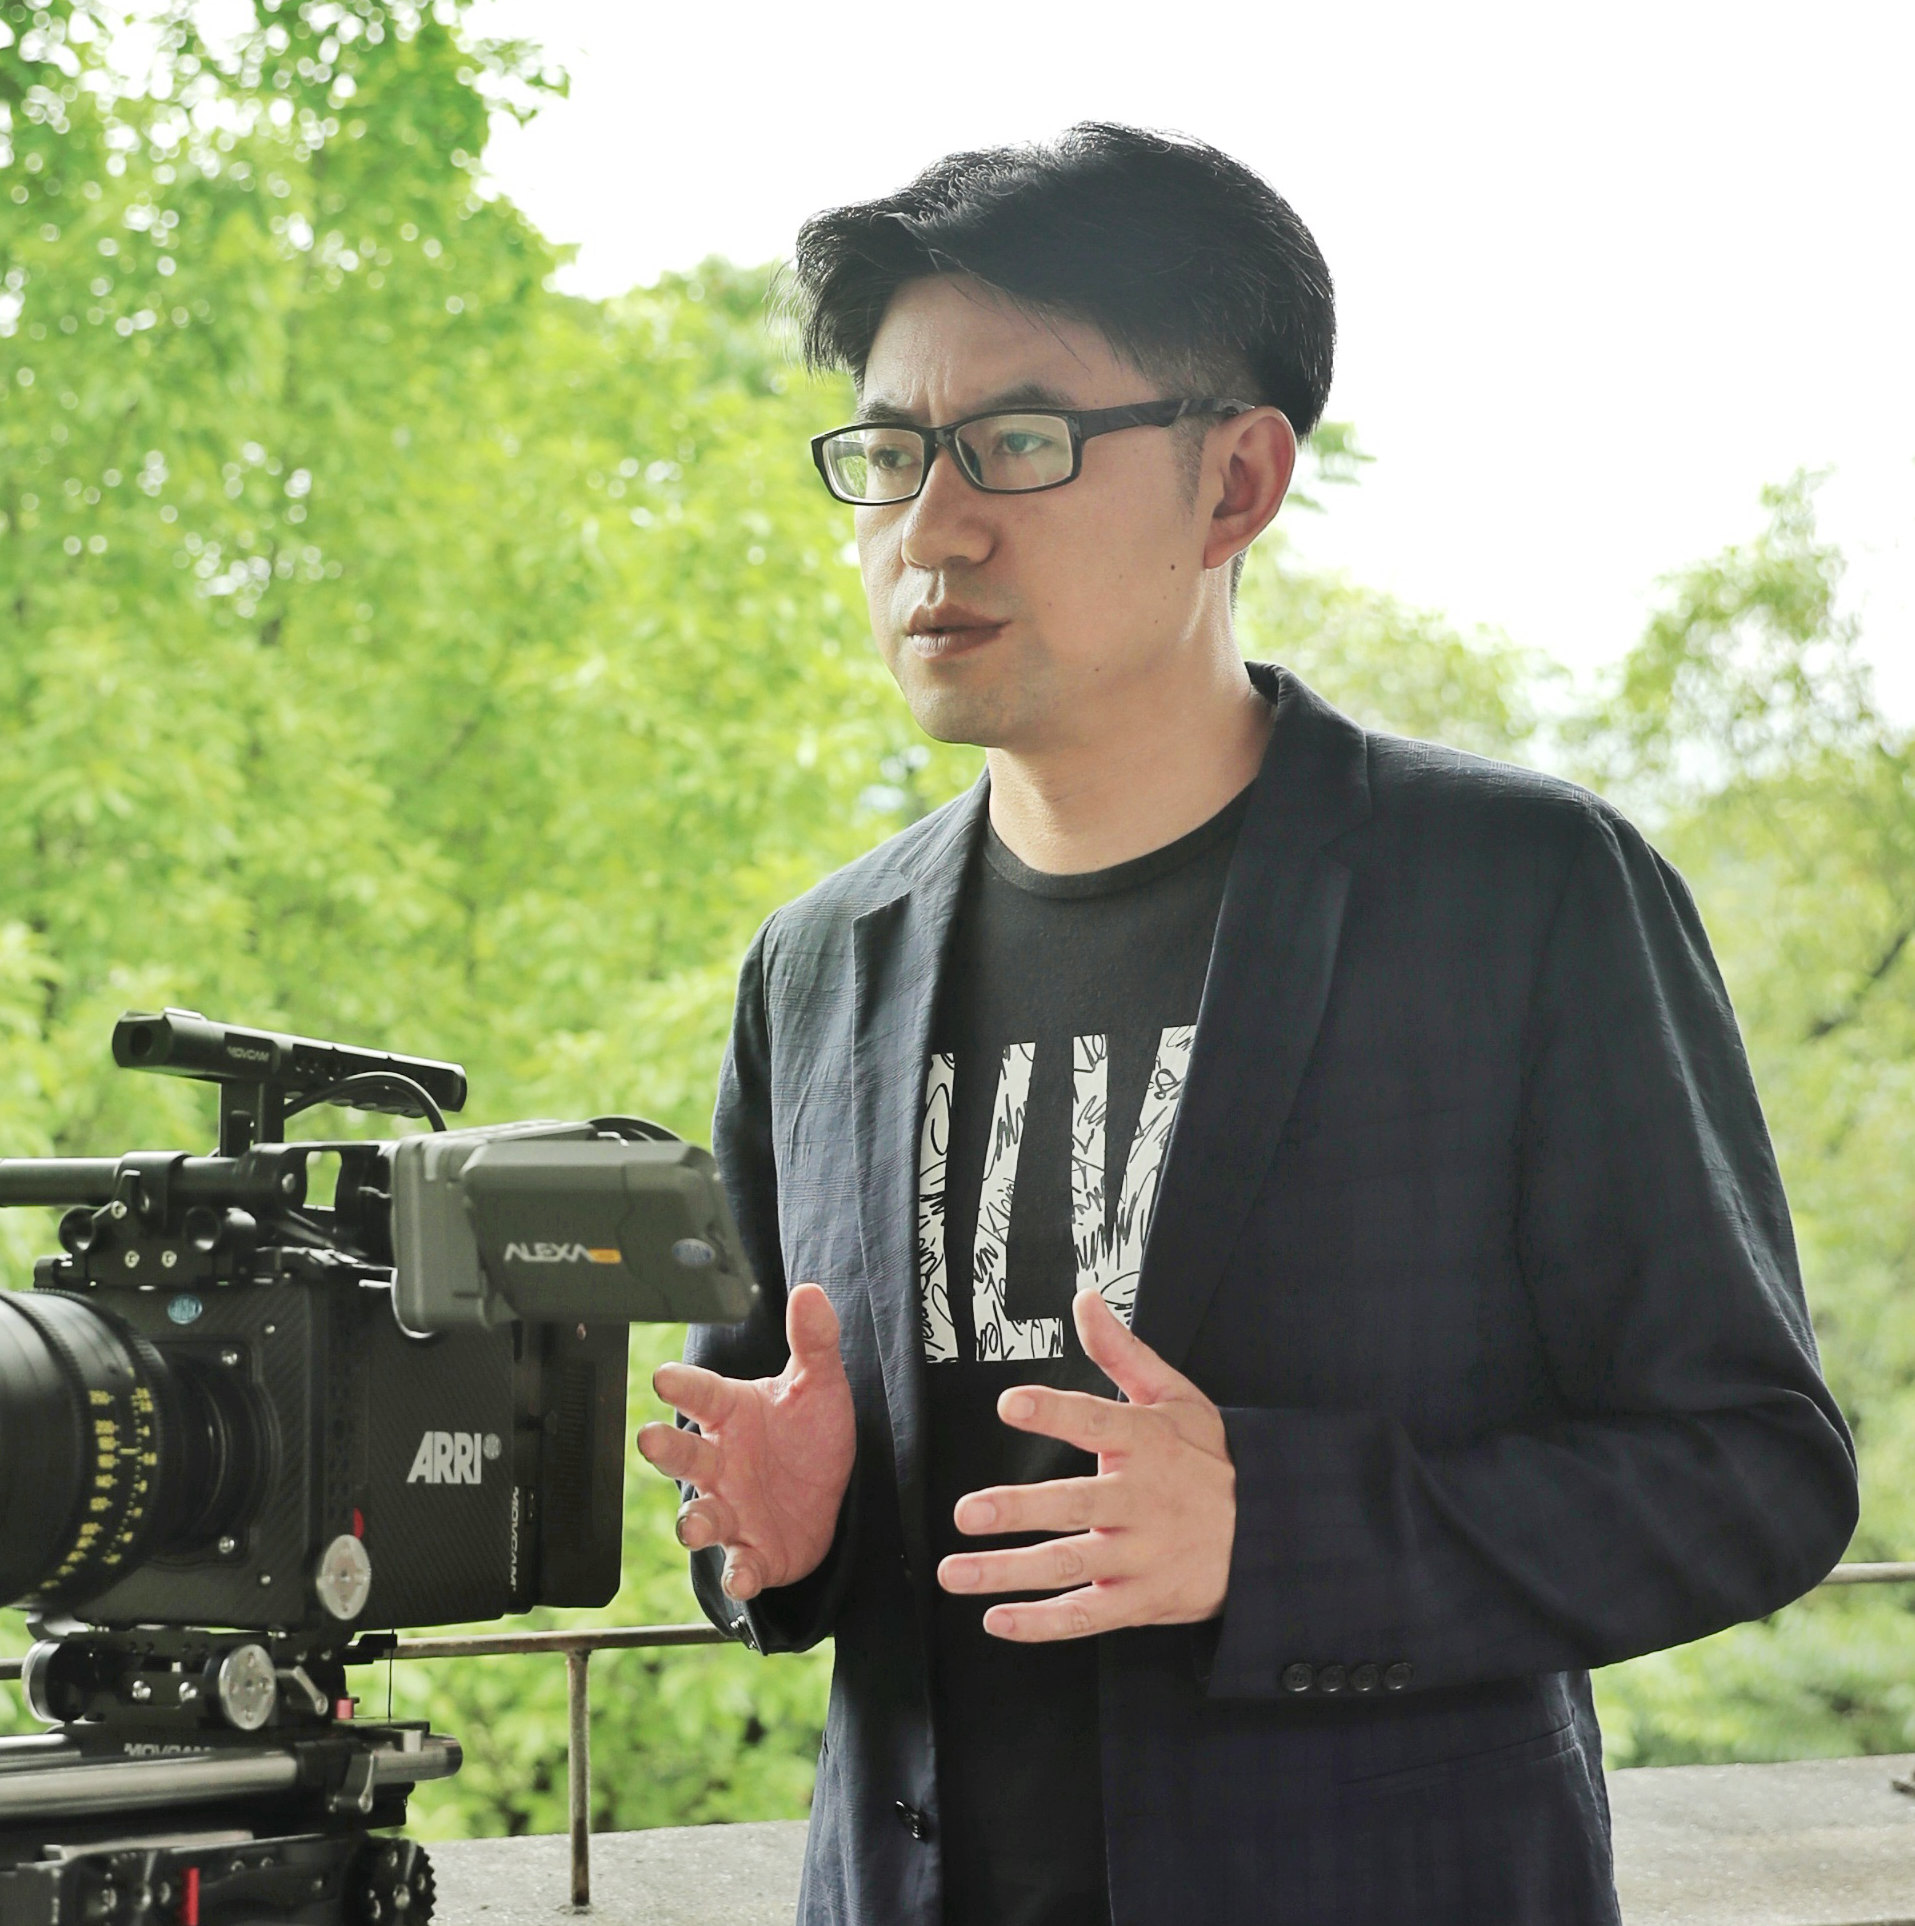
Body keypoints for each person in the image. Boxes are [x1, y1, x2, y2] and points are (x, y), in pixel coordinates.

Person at [632, 124, 1856, 1926]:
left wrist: (1276, 1533)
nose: (931, 526)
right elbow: (762, 1473)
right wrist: (779, 1541)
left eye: (1019, 443)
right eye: (889, 455)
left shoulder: (1521, 890)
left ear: (1237, 482)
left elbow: (1755, 1475)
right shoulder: (817, 964)